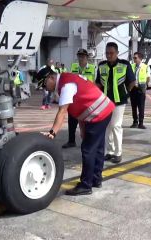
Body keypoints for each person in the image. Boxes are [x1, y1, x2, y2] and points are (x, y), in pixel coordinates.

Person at [39, 67, 115, 195]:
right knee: (98, 147)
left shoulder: (66, 85)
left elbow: (62, 111)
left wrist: (52, 133)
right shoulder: (66, 80)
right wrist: (83, 128)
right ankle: (96, 179)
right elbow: (80, 106)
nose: (45, 89)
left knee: (88, 150)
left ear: (51, 77)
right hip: (104, 110)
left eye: (44, 84)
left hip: (99, 113)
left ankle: (86, 185)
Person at [96, 42, 135, 164]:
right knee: (107, 126)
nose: (109, 55)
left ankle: (118, 153)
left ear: (117, 53)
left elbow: (132, 81)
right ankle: (109, 151)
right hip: (105, 101)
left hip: (119, 100)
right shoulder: (101, 65)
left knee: (116, 125)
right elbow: (98, 83)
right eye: (107, 53)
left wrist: (126, 92)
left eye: (111, 53)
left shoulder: (124, 64)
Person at [62, 48, 96, 149]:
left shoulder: (93, 68)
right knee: (72, 121)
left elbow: (96, 83)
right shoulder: (73, 67)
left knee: (87, 122)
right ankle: (71, 141)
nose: (81, 58)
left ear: (87, 57)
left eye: (83, 56)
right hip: (75, 99)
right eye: (79, 56)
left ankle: (88, 141)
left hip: (87, 99)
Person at [130, 52, 151, 129]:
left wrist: (145, 86)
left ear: (140, 59)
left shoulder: (146, 67)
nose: (134, 59)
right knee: (133, 106)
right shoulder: (132, 66)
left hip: (140, 89)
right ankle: (135, 122)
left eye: (135, 58)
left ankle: (141, 123)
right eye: (133, 58)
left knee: (141, 106)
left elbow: (148, 77)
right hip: (133, 89)